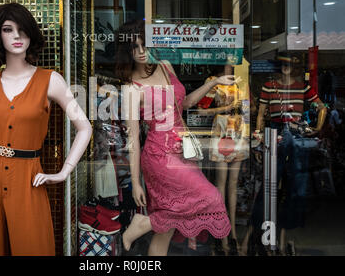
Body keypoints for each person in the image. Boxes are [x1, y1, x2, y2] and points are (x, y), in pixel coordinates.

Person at [0, 3, 92, 256]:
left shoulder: (50, 80)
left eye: (23, 30)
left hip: (29, 179)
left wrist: (63, 172)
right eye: (8, 29)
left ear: (31, 34)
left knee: (34, 247)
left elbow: (84, 128)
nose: (17, 36)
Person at [114, 20, 235, 256]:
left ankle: (146, 225)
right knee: (210, 198)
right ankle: (142, 224)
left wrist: (213, 83)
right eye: (134, 47)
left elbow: (186, 103)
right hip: (159, 156)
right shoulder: (131, 88)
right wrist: (136, 182)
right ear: (126, 52)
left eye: (144, 45)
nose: (140, 52)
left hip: (183, 151)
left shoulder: (166, 66)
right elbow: (133, 140)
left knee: (166, 230)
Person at [241, 53, 326, 256]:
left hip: (295, 138)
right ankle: (257, 237)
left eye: (289, 65)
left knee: (294, 189)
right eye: (282, 65)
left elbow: (321, 107)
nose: (286, 68)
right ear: (279, 67)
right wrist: (259, 142)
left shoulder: (302, 87)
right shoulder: (269, 86)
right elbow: (260, 115)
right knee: (268, 189)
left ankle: (282, 239)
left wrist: (316, 128)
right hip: (274, 135)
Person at [195, 65, 248, 255]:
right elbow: (200, 111)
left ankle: (232, 233)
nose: (232, 61)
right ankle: (222, 234)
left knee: (233, 185)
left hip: (239, 132)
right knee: (221, 184)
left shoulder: (241, 81)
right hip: (221, 132)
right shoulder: (213, 83)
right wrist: (226, 108)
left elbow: (248, 110)